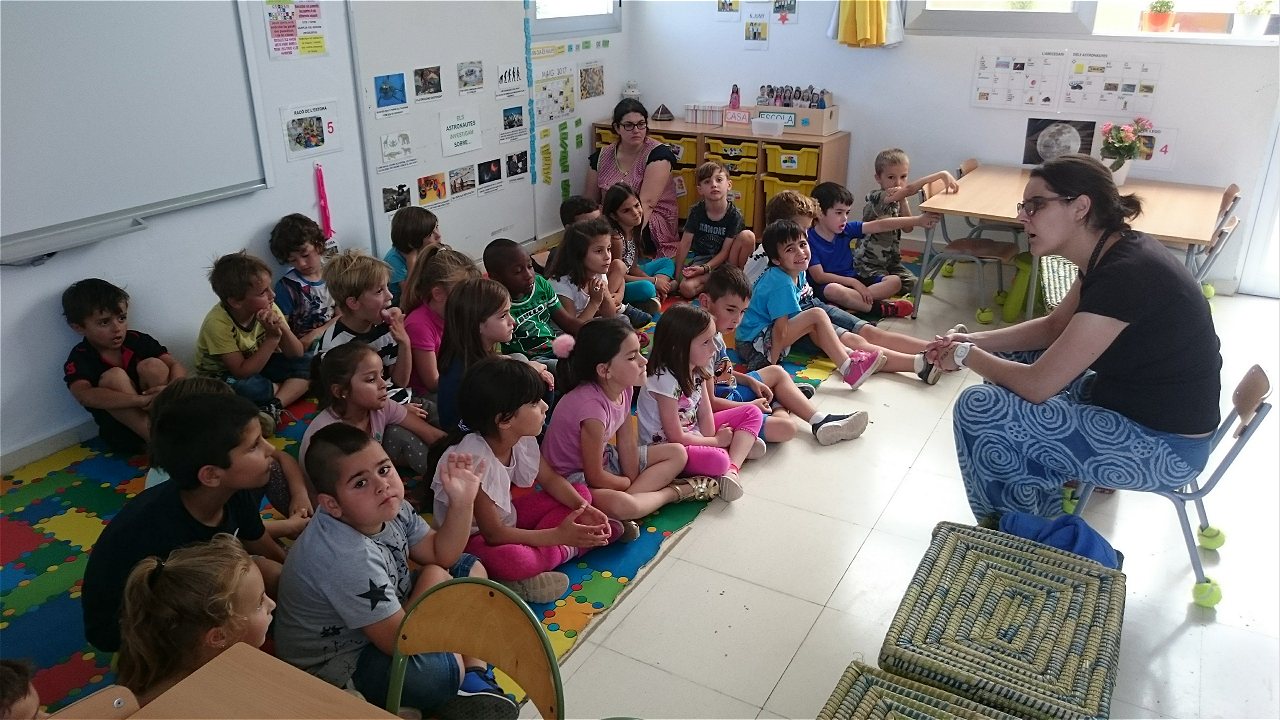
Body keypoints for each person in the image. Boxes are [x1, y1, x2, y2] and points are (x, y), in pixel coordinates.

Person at [928, 154, 1222, 522]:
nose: (1023, 217)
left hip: (1163, 448)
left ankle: (1018, 534)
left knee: (979, 407)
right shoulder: (1113, 251)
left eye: (1035, 205)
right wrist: (972, 341)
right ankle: (1039, 513)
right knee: (1012, 359)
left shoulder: (1127, 274)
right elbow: (1053, 328)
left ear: (1081, 207)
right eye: (1024, 206)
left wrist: (965, 354)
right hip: (1127, 405)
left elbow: (1037, 386)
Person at [275, 423, 517, 719]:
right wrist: (433, 580)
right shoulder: (346, 555)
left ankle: (474, 677)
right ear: (332, 505)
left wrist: (463, 503)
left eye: (384, 469)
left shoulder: (389, 505)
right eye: (360, 483)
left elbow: (441, 553)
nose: (382, 485)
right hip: (342, 661)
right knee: (442, 673)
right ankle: (441, 685)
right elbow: (398, 641)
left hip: (386, 618)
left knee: (469, 568)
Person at [81, 393, 285, 653]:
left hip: (198, 591)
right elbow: (157, 610)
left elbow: (263, 545)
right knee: (232, 620)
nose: (270, 449)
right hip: (133, 625)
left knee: (275, 574)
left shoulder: (233, 490)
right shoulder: (157, 533)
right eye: (254, 446)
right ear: (211, 475)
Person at [432, 357, 620, 604]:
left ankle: (565, 546)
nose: (545, 406)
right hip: (473, 541)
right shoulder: (474, 461)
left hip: (509, 518)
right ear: (504, 420)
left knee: (580, 494)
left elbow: (551, 480)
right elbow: (494, 534)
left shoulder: (520, 437)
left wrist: (585, 509)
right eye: (533, 403)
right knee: (515, 560)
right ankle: (571, 548)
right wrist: (557, 535)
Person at [769, 194, 956, 385]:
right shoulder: (773, 261)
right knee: (855, 342)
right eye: (801, 230)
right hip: (801, 321)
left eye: (806, 230)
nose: (805, 237)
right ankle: (922, 364)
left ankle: (938, 349)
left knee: (871, 332)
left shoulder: (800, 251)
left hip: (814, 305)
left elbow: (878, 226)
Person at [544, 318, 697, 519]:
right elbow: (594, 476)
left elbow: (626, 443)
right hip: (571, 478)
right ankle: (669, 494)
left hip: (605, 460)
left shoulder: (624, 388)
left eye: (640, 353)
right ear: (604, 370)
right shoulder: (591, 409)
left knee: (677, 453)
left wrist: (630, 479)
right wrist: (625, 482)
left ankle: (632, 501)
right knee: (623, 505)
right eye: (632, 357)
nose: (644, 361)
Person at [700, 265, 869, 446]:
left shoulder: (716, 334)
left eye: (743, 312)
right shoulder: (702, 345)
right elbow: (709, 404)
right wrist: (750, 406)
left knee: (776, 372)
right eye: (730, 310)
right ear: (705, 302)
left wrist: (749, 381)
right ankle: (778, 403)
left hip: (730, 393)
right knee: (787, 428)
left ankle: (819, 420)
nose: (737, 319)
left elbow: (721, 373)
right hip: (718, 411)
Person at [142, 378, 312, 539]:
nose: (269, 447)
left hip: (241, 528)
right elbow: (224, 533)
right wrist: (288, 527)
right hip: (216, 547)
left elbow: (280, 456)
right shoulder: (179, 487)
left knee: (271, 465)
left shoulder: (222, 456)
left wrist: (300, 494)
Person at [116, 535, 274, 706]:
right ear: (219, 636)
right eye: (259, 603)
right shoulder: (191, 699)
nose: (272, 604)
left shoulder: (192, 665)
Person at [735, 220, 886, 388]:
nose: (800, 252)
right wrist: (772, 363)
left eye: (802, 244)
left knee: (815, 323)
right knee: (816, 315)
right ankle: (849, 369)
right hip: (753, 341)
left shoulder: (797, 272)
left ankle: (849, 357)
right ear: (776, 260)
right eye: (790, 249)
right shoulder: (780, 281)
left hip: (766, 333)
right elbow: (780, 328)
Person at [639, 305, 767, 501]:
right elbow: (675, 437)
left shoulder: (698, 369)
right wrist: (716, 443)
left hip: (693, 433)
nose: (714, 348)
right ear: (679, 347)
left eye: (713, 339)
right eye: (706, 342)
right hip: (669, 450)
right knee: (718, 460)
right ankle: (734, 453)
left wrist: (712, 439)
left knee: (752, 412)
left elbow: (705, 413)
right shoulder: (663, 380)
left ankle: (731, 470)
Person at [61, 278, 187, 454]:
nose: (117, 328)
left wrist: (169, 390)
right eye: (104, 322)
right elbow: (84, 395)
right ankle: (161, 444)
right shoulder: (80, 357)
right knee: (114, 377)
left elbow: (175, 365)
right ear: (78, 327)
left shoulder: (137, 339)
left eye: (121, 318)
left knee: (153, 365)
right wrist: (140, 400)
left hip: (162, 417)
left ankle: (175, 432)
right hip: (124, 432)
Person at [300, 342, 443, 487]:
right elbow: (325, 487)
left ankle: (442, 478)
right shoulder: (328, 435)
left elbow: (430, 433)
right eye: (371, 379)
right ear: (341, 391)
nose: (384, 384)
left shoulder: (383, 407)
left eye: (382, 375)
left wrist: (454, 452)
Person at [194, 251, 309, 426]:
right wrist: (272, 339)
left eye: (269, 288)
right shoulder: (217, 323)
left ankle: (273, 406)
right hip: (222, 375)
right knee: (248, 388)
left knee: (310, 362)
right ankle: (291, 389)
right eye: (263, 292)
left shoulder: (268, 306)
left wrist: (281, 329)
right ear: (236, 302)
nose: (272, 295)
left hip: (259, 363)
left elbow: (297, 353)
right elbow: (241, 372)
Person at [436, 278, 554, 432]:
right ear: (477, 324)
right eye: (503, 316)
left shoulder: (470, 356)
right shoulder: (473, 374)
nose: (513, 321)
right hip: (474, 439)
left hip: (486, 429)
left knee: (521, 360)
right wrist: (529, 373)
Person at [808, 181, 935, 317]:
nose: (844, 218)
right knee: (833, 290)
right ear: (819, 213)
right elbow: (819, 277)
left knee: (894, 281)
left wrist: (918, 220)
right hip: (828, 286)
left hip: (852, 282)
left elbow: (880, 225)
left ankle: (851, 304)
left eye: (847, 213)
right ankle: (880, 308)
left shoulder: (846, 230)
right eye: (839, 213)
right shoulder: (808, 239)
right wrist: (854, 283)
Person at [584, 99, 679, 260]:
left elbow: (647, 203)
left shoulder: (658, 155)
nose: (636, 130)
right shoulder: (601, 157)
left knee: (613, 235)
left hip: (645, 219)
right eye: (629, 125)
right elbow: (589, 201)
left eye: (641, 124)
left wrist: (628, 241)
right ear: (617, 128)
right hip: (611, 216)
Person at [317, 250, 414, 405]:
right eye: (379, 291)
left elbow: (400, 381)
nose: (390, 296)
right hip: (376, 411)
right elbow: (345, 404)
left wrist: (404, 343)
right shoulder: (335, 348)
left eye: (387, 287)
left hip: (401, 401)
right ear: (354, 303)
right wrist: (397, 412)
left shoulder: (385, 327)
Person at [859, 148, 960, 293]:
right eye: (891, 177)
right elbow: (910, 189)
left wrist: (903, 200)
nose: (898, 182)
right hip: (869, 263)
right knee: (888, 284)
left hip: (890, 262)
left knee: (914, 285)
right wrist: (941, 174)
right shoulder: (877, 196)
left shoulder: (897, 199)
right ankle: (863, 288)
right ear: (878, 178)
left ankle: (885, 283)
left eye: (903, 177)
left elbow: (908, 228)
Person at [400, 245, 481, 395]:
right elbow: (433, 383)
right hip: (426, 395)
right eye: (462, 295)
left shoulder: (455, 314)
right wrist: (477, 374)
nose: (469, 302)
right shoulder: (419, 325)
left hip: (455, 381)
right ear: (438, 294)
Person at [548, 217, 650, 332]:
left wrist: (605, 294)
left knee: (622, 321)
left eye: (609, 249)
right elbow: (572, 329)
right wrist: (595, 302)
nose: (607, 256)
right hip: (565, 333)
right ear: (578, 254)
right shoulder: (561, 284)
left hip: (588, 322)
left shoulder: (598, 273)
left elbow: (610, 316)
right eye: (599, 251)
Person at [483, 238, 575, 362]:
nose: (529, 275)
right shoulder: (497, 306)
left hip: (554, 347)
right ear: (496, 278)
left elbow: (567, 322)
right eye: (517, 271)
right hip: (530, 361)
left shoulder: (540, 284)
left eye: (530, 266)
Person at [674, 161, 756, 299]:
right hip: (703, 261)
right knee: (686, 288)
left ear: (729, 184)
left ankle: (738, 280)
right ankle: (723, 284)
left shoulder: (734, 215)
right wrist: (677, 278)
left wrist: (705, 268)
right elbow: (684, 244)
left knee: (748, 236)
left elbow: (725, 251)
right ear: (700, 189)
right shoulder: (696, 211)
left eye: (719, 180)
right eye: (707, 182)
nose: (714, 184)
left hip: (728, 262)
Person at [268, 213, 336, 350]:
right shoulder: (287, 287)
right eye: (293, 260)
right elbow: (283, 334)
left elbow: (344, 316)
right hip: (305, 350)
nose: (302, 264)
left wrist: (317, 333)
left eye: (305, 255)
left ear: (318, 245)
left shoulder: (335, 273)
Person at [603, 182, 675, 305]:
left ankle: (660, 291)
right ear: (614, 216)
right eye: (626, 210)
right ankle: (661, 290)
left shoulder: (633, 230)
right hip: (620, 285)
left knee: (667, 262)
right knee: (646, 288)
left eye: (637, 205)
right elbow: (619, 275)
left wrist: (653, 280)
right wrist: (653, 281)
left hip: (631, 276)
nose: (635, 212)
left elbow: (633, 268)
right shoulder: (616, 239)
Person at [386, 206, 442, 306]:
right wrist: (411, 261)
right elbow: (409, 300)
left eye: (437, 227)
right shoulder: (393, 261)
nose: (438, 235)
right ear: (412, 243)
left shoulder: (428, 250)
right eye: (430, 234)